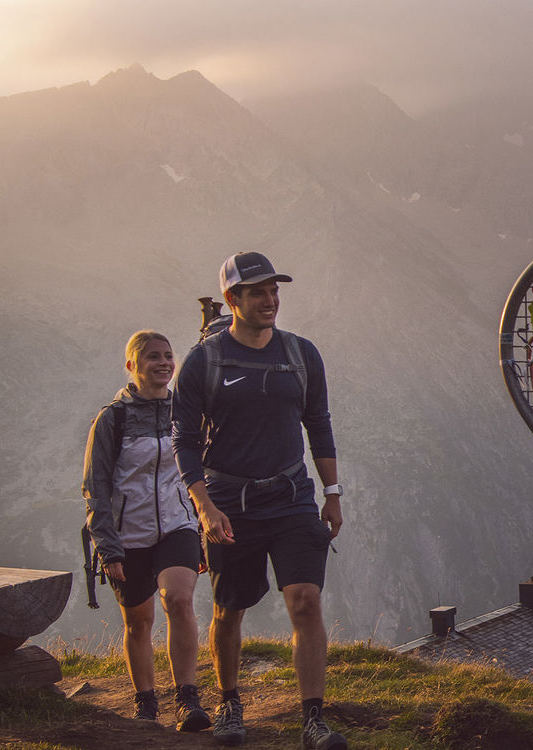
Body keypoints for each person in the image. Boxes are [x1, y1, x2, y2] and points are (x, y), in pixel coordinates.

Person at [172, 252, 346, 750]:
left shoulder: (301, 354)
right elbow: (184, 439)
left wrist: (332, 493)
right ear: (232, 299)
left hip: (292, 498)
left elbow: (319, 424)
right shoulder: (204, 361)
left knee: (305, 601)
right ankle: (229, 703)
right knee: (229, 608)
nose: (270, 300)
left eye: (274, 291)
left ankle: (313, 720)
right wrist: (204, 507)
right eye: (257, 293)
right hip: (230, 504)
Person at [82, 330, 213, 732]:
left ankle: (187, 698)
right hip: (128, 534)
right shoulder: (113, 418)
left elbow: (203, 470)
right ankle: (146, 703)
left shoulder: (185, 412)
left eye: (168, 356)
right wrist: (108, 548)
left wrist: (205, 526)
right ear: (132, 365)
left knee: (179, 599)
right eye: (153, 356)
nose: (164, 363)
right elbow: (95, 487)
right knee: (138, 622)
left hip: (178, 525)